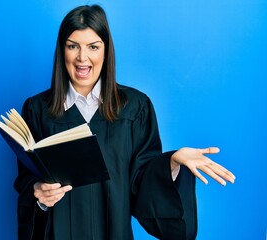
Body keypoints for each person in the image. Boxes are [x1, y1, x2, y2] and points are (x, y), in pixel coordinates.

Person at [13, 4, 235, 240]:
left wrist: (171, 162)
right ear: (62, 51)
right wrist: (39, 195)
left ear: (106, 51)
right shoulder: (38, 110)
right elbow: (27, 179)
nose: (82, 57)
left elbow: (141, 181)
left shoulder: (135, 108)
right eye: (72, 46)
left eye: (93, 47)